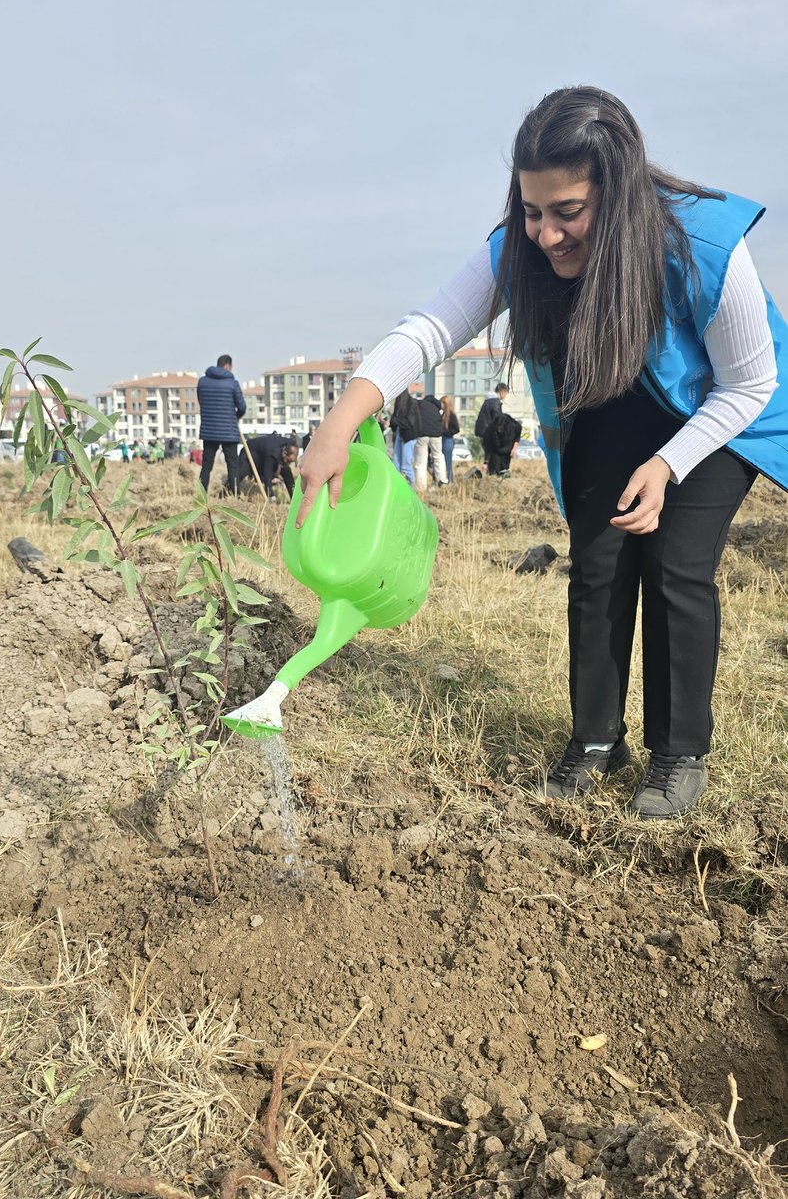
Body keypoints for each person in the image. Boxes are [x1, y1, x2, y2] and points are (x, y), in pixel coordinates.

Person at [296, 86, 786, 821]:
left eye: (567, 212)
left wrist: (667, 464)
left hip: (721, 409)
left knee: (676, 563)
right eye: (531, 210)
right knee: (596, 564)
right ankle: (595, 740)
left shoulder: (704, 243)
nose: (546, 234)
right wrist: (340, 420)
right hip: (614, 401)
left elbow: (750, 383)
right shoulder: (518, 250)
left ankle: (679, 753)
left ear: (616, 196)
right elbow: (431, 329)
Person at [197, 354, 246, 495]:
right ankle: (235, 495)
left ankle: (202, 495)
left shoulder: (202, 382)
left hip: (209, 430)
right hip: (228, 430)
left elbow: (202, 402)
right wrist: (236, 417)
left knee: (206, 465)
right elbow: (242, 406)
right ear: (228, 366)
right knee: (232, 465)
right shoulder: (232, 383)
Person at [238, 433, 298, 498]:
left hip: (265, 453)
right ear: (284, 453)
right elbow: (267, 476)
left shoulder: (290, 444)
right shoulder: (272, 455)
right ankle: (229, 487)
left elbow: (288, 478)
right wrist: (271, 496)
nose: (289, 463)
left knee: (287, 471)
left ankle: (294, 497)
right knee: (242, 472)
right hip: (250, 451)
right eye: (288, 461)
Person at [412, 393, 448, 489]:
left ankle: (421, 486)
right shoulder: (436, 408)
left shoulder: (420, 404)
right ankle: (442, 480)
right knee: (438, 456)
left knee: (421, 461)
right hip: (436, 435)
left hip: (422, 435)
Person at [388, 389, 419, 483]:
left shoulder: (411, 403)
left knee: (406, 465)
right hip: (400, 434)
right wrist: (393, 422)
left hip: (409, 436)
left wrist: (395, 421)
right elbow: (394, 422)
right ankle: (398, 486)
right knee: (396, 463)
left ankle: (412, 486)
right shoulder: (399, 405)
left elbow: (409, 422)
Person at [488, 405, 523, 477]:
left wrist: (514, 448)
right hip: (496, 450)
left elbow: (517, 437)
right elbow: (488, 445)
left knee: (504, 470)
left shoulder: (514, 426)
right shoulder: (492, 429)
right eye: (498, 428)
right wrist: (486, 461)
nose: (499, 430)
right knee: (494, 470)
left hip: (507, 450)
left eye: (500, 428)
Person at [440, 395, 460, 482]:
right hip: (443, 439)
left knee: (448, 461)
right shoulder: (443, 415)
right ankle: (446, 479)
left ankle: (450, 480)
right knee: (443, 461)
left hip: (448, 440)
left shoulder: (451, 415)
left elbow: (456, 429)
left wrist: (445, 432)